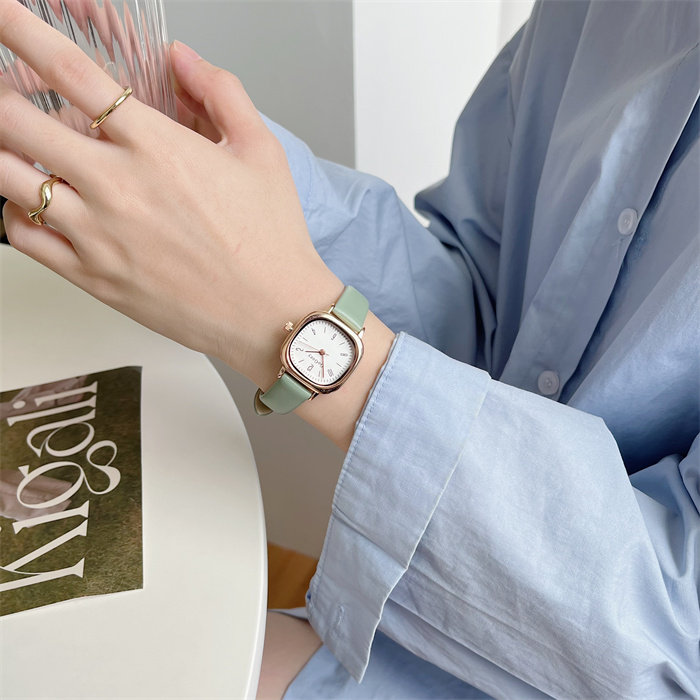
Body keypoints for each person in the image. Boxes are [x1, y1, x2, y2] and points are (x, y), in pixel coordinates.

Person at [0, 0, 697, 697]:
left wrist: (289, 318)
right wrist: (201, 174)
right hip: (419, 622)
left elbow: (673, 648)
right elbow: (485, 308)